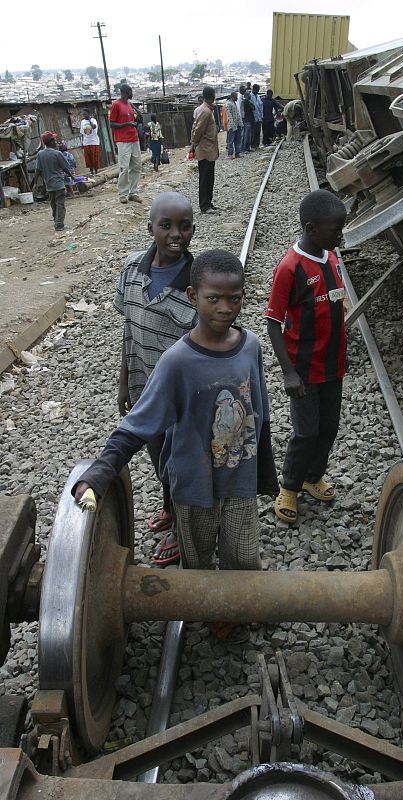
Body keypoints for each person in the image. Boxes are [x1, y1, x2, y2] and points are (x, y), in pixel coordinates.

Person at [73, 249, 278, 643]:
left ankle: (238, 605)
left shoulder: (250, 345)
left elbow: (260, 410)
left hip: (239, 480)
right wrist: (100, 472)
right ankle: (206, 609)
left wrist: (263, 473)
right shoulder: (177, 362)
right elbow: (138, 425)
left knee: (243, 554)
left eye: (234, 298)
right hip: (193, 486)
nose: (224, 307)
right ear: (192, 297)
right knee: (198, 558)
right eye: (213, 298)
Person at [114, 191, 197, 565]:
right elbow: (129, 330)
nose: (175, 234)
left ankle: (183, 529)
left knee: (179, 463)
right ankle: (169, 506)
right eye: (166, 226)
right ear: (151, 228)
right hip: (143, 390)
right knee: (158, 457)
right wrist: (123, 382)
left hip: (181, 401)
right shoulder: (131, 270)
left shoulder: (198, 286)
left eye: (184, 226)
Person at [264, 189, 347, 524]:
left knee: (328, 428)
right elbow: (272, 322)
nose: (340, 235)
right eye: (335, 229)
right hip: (304, 369)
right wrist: (288, 373)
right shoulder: (290, 267)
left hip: (333, 365)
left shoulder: (332, 256)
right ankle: (290, 486)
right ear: (311, 229)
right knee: (305, 432)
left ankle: (314, 476)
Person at [35, 131, 75, 231]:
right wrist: (72, 177)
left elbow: (37, 170)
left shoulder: (40, 154)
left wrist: (35, 183)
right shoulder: (57, 154)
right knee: (60, 204)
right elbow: (66, 168)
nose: (56, 141)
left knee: (53, 204)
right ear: (51, 141)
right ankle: (59, 224)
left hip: (49, 184)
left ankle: (56, 220)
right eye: (54, 139)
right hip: (58, 183)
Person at [109, 84, 142, 205]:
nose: (132, 93)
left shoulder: (129, 104)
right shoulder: (116, 105)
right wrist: (126, 124)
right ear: (126, 92)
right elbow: (112, 123)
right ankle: (123, 194)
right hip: (123, 140)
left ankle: (133, 192)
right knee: (124, 167)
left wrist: (138, 117)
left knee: (137, 166)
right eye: (131, 91)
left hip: (134, 138)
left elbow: (134, 121)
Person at [190, 86, 219, 215]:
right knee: (205, 178)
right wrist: (195, 144)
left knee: (209, 177)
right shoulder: (206, 111)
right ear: (212, 97)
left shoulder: (205, 109)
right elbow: (198, 129)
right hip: (205, 149)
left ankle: (208, 202)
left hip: (208, 149)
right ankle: (204, 205)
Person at [80, 108, 100, 175]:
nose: (84, 115)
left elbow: (94, 127)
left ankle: (96, 171)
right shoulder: (82, 122)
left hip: (94, 141)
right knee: (88, 158)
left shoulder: (93, 120)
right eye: (83, 114)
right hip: (86, 142)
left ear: (88, 114)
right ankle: (91, 171)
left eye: (85, 114)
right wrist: (82, 142)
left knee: (95, 157)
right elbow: (82, 133)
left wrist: (89, 120)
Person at [225, 92, 242, 159]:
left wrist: (240, 123)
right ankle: (230, 154)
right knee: (230, 140)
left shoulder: (234, 103)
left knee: (238, 140)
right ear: (233, 96)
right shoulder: (228, 104)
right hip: (232, 126)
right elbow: (229, 116)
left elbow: (238, 114)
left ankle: (237, 153)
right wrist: (233, 126)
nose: (237, 98)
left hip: (237, 124)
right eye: (236, 96)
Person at [250, 84, 263, 149]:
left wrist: (261, 116)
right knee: (253, 133)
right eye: (257, 90)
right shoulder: (250, 96)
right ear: (254, 89)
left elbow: (260, 107)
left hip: (259, 118)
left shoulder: (258, 97)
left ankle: (257, 145)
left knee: (258, 132)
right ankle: (253, 145)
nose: (258, 91)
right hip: (253, 118)